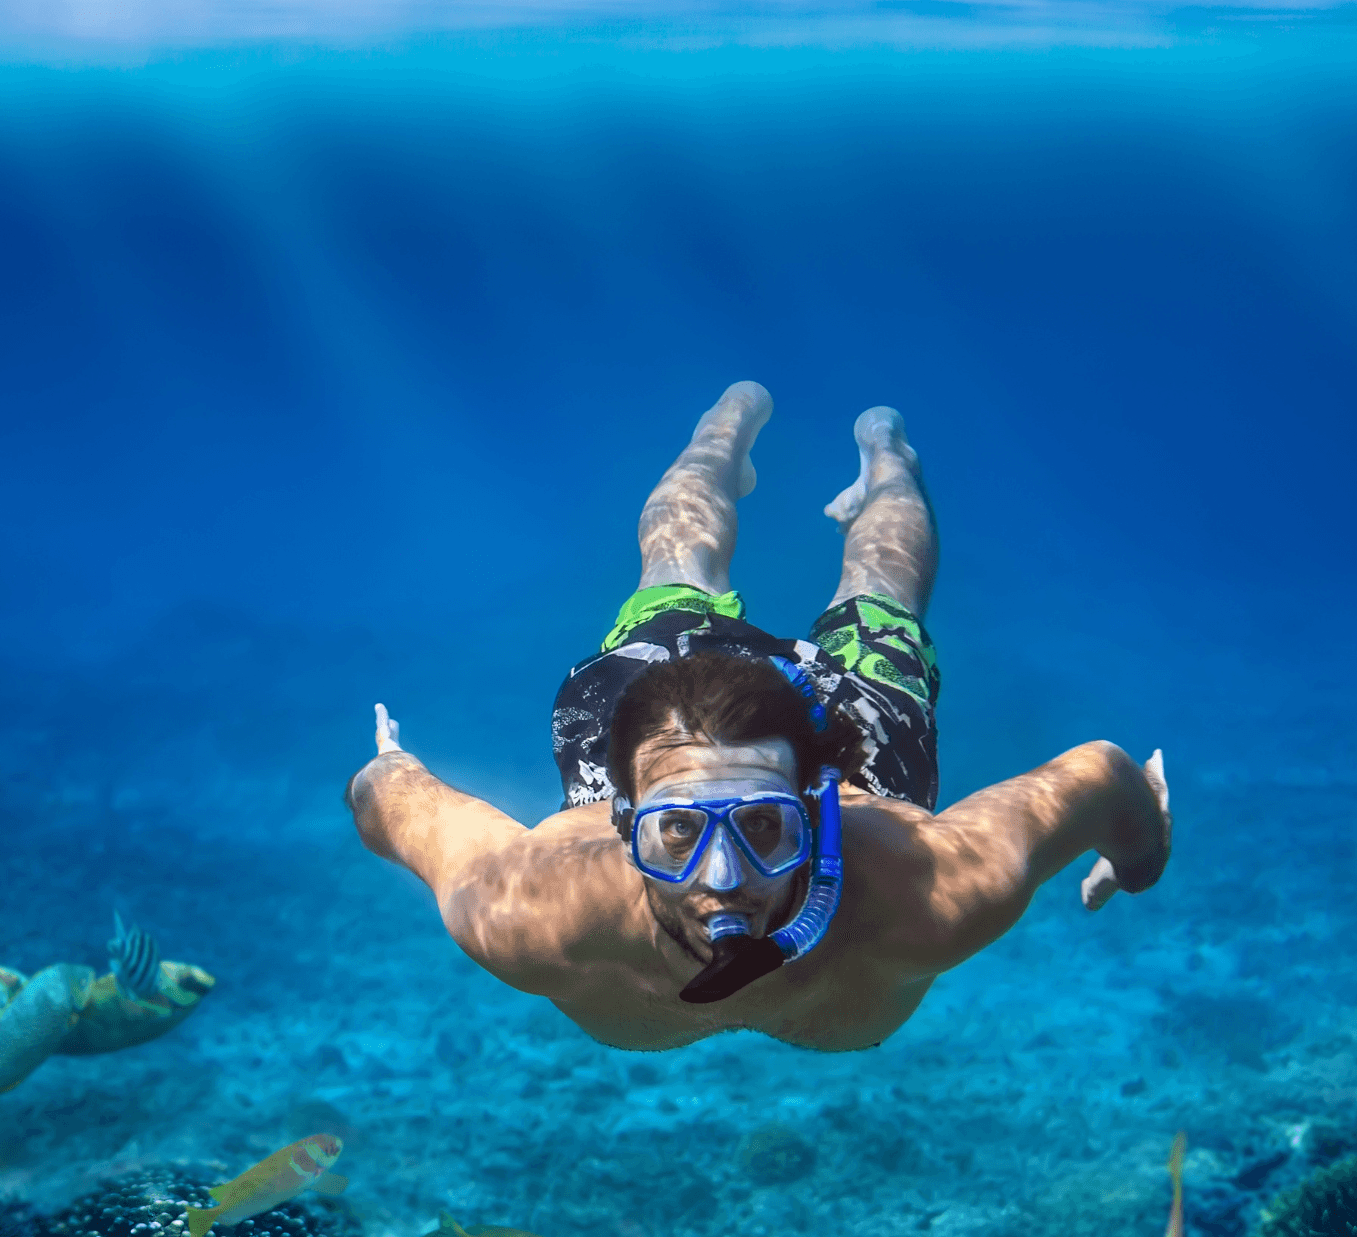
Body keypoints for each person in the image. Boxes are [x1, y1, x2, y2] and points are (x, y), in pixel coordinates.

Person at [345, 382, 1171, 1052]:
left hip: (855, 734)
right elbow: (393, 806)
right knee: (687, 560)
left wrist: (1137, 865)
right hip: (664, 705)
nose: (723, 878)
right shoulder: (529, 910)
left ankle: (890, 458)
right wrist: (387, 770)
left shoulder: (932, 888)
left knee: (880, 589)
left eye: (764, 827)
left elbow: (1101, 776)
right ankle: (722, 432)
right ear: (622, 819)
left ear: (816, 809)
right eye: (675, 832)